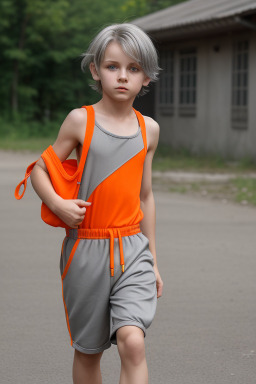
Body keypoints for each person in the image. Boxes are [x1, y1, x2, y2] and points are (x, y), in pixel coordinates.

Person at [29, 23, 163, 384]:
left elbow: (145, 195)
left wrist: (153, 260)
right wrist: (58, 204)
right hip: (85, 251)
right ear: (95, 70)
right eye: (113, 66)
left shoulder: (149, 129)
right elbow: (39, 170)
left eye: (134, 69)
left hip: (133, 249)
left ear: (146, 77)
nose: (123, 77)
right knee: (88, 352)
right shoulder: (80, 120)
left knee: (132, 342)